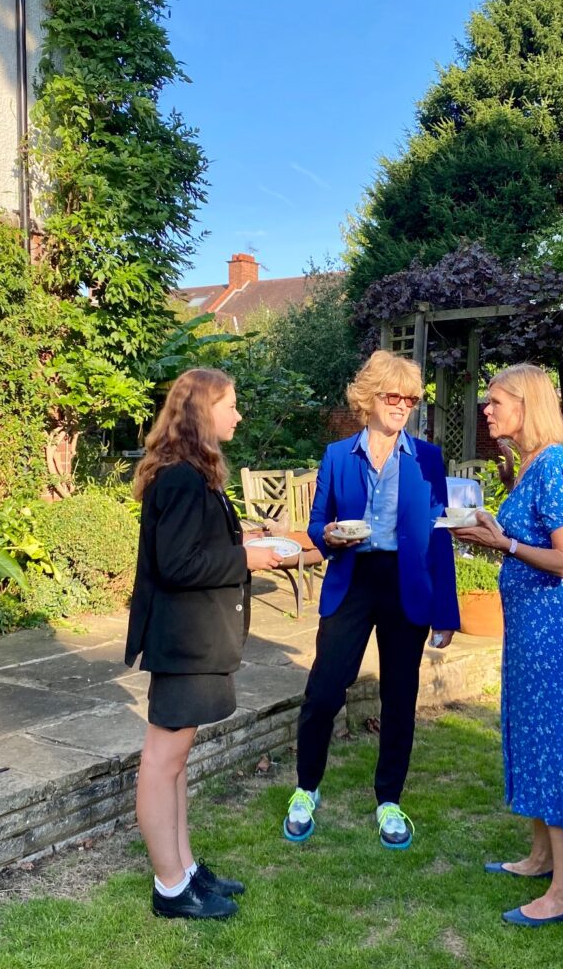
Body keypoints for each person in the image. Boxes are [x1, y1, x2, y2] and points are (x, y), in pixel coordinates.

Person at [452, 363, 563, 927]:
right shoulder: (527, 466)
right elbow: (527, 542)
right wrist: (499, 535)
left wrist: (504, 542)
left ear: (527, 405)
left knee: (556, 744)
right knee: (533, 735)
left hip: (555, 631)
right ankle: (541, 857)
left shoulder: (556, 466)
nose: (487, 410)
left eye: (495, 401)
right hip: (529, 631)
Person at [283, 350, 460, 849]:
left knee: (400, 698)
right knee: (323, 692)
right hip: (353, 579)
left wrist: (446, 610)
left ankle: (389, 800)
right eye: (393, 396)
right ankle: (306, 789)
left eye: (410, 399)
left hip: (406, 584)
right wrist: (330, 536)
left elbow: (441, 534)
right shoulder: (340, 456)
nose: (403, 406)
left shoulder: (426, 458)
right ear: (368, 398)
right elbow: (318, 522)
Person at [125, 368, 281, 920]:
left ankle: (186, 870)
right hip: (183, 641)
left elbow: (194, 544)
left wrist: (248, 540)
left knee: (176, 762)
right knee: (160, 763)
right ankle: (170, 888)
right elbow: (178, 564)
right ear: (202, 412)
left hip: (193, 639)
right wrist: (246, 559)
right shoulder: (181, 478)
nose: (238, 415)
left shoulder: (195, 472)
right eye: (230, 405)